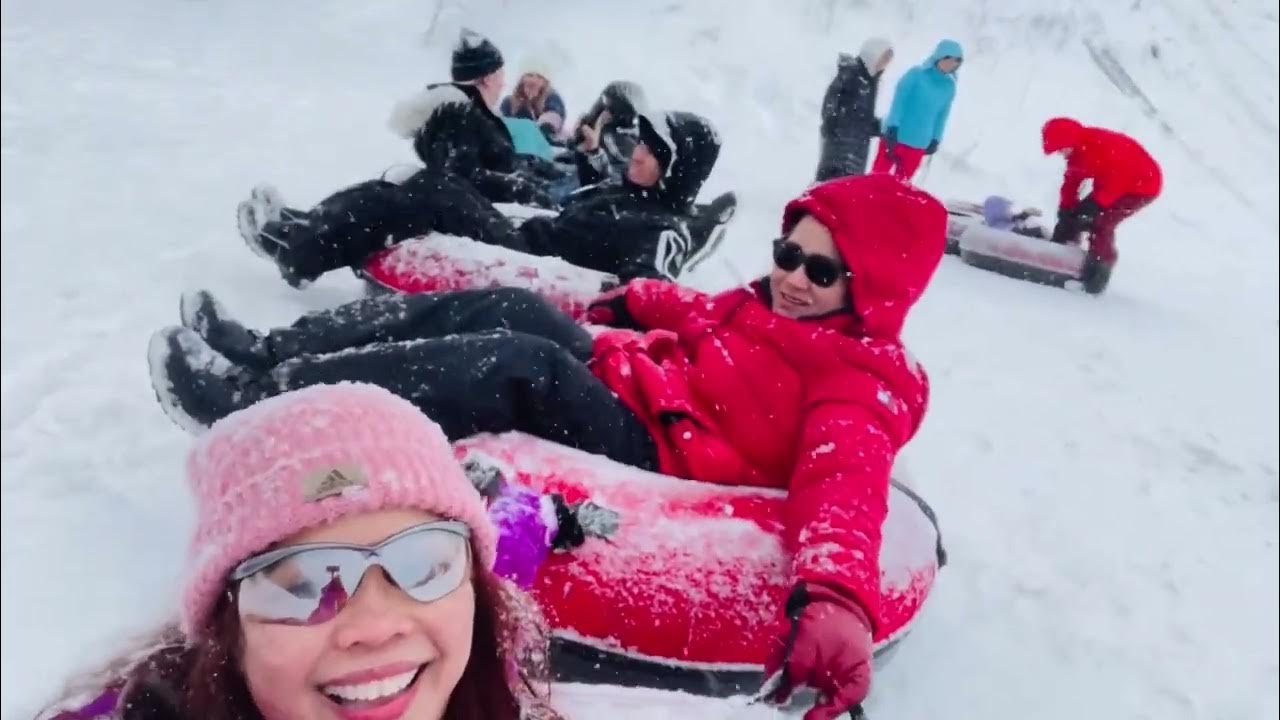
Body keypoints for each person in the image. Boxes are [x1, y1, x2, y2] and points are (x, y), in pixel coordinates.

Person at [150, 173, 948, 717]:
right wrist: (635, 300)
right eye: (787, 252)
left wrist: (837, 598)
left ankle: (251, 403)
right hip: (632, 373)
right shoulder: (772, 310)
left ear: (874, 288)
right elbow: (704, 314)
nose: (794, 277)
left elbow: (846, 485)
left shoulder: (858, 381)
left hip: (653, 442)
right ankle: (271, 355)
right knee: (509, 307)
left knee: (515, 363)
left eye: (822, 269)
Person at [37, 383, 567, 720]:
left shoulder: (485, 647)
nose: (378, 626)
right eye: (304, 586)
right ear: (230, 628)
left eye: (420, 565)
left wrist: (549, 516)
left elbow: (504, 541)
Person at [236, 109, 731, 288]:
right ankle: (308, 227)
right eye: (642, 144)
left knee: (431, 191)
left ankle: (302, 250)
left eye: (651, 151)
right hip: (526, 235)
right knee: (422, 185)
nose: (637, 154)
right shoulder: (628, 191)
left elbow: (646, 295)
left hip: (529, 260)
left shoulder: (662, 228)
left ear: (677, 169)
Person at [384, 28, 558, 208]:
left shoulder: (467, 112)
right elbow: (464, 179)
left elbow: (490, 163)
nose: (503, 83)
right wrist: (525, 190)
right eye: (501, 76)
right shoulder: (457, 116)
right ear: (489, 78)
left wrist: (540, 167)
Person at [1041, 116, 1162, 291]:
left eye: (1060, 149)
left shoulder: (1101, 149)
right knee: (1077, 215)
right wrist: (1066, 208)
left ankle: (1100, 268)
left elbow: (1118, 179)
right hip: (1112, 182)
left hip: (1142, 186)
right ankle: (1064, 249)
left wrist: (1096, 204)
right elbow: (1072, 180)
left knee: (1101, 222)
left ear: (1070, 141)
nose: (1060, 154)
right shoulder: (1078, 151)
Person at [872, 39, 963, 181]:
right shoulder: (916, 74)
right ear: (939, 56)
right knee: (876, 178)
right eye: (949, 58)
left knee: (902, 186)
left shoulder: (949, 87)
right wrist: (893, 126)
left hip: (918, 143)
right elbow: (899, 100)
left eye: (957, 60)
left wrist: (936, 138)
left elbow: (942, 115)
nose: (952, 63)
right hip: (895, 136)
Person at [815, 38, 894, 181]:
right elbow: (831, 99)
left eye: (887, 60)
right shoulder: (852, 73)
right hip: (839, 143)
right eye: (883, 58)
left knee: (847, 186)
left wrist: (877, 126)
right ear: (873, 55)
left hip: (858, 147)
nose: (884, 64)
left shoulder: (871, 81)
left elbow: (861, 115)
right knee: (828, 184)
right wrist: (831, 121)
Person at [499, 57, 568, 141]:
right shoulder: (509, 102)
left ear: (545, 82)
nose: (534, 80)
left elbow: (554, 117)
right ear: (522, 79)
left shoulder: (552, 99)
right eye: (530, 75)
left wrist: (544, 127)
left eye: (539, 77)